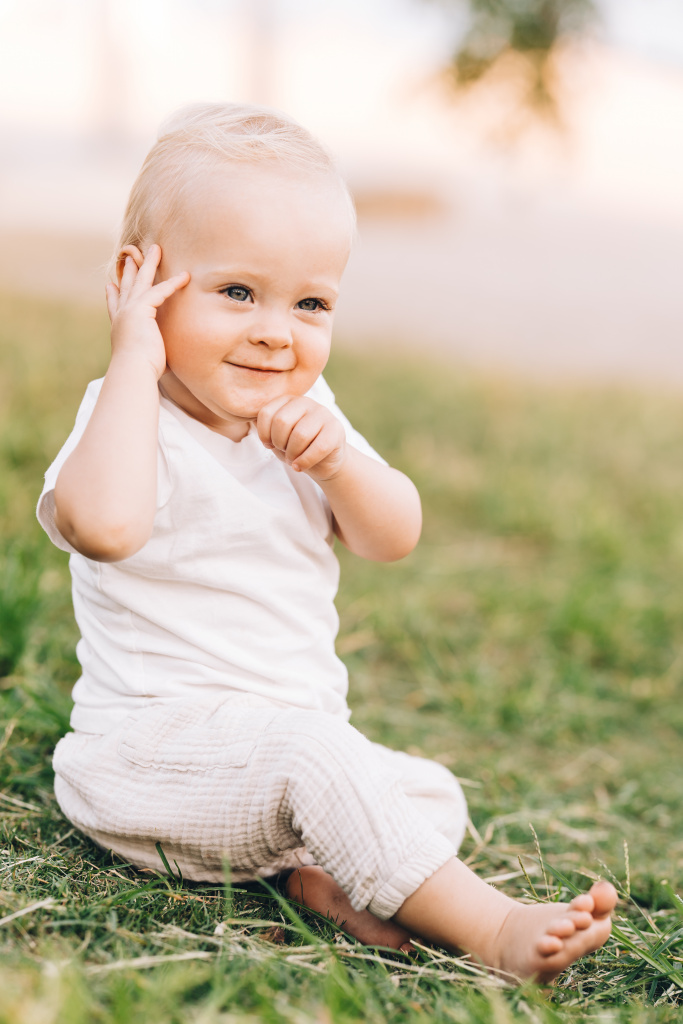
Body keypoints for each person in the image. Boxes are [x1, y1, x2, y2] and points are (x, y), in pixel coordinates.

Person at [38, 102, 616, 982]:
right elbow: (104, 528)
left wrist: (339, 463)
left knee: (424, 790)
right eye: (238, 292)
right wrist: (132, 357)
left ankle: (317, 879)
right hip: (147, 764)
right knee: (319, 760)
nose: (277, 330)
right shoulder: (125, 415)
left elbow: (393, 535)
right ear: (139, 281)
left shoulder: (308, 418)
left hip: (276, 762)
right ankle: (494, 929)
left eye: (310, 303)